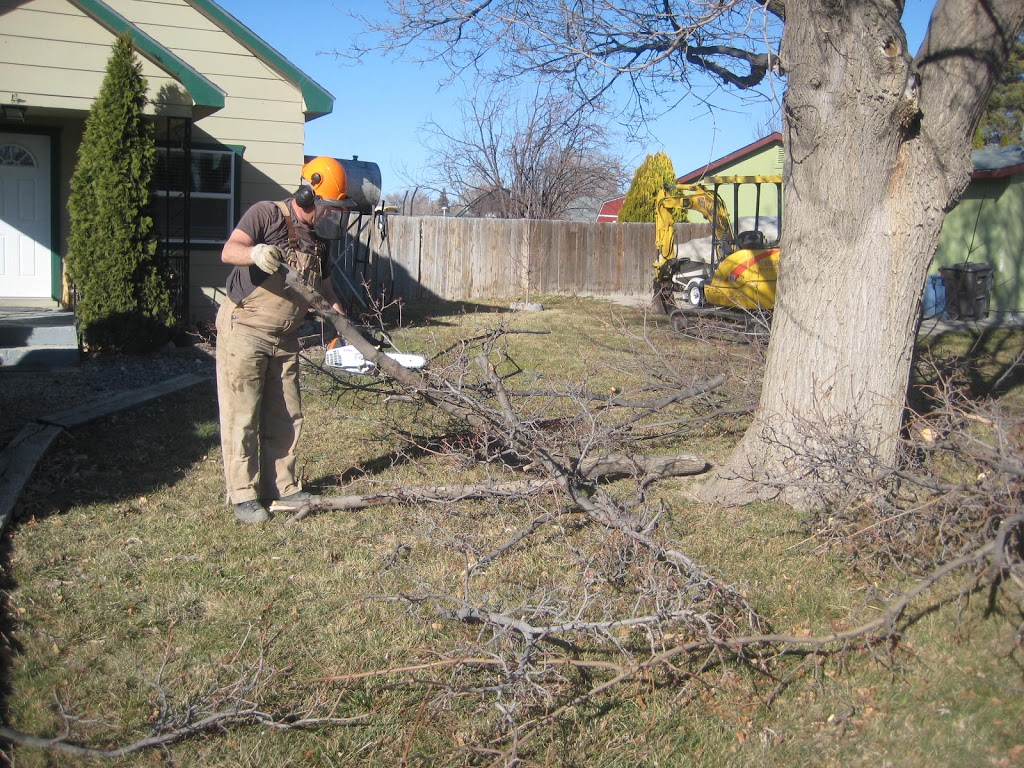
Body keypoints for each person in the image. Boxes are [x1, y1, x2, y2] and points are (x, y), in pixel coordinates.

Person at [216, 156, 349, 523]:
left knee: (287, 414)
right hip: (245, 328)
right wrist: (254, 253)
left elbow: (324, 289)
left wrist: (343, 322)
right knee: (242, 414)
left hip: (286, 336)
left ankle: (282, 487)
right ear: (307, 196)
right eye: (328, 207)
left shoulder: (320, 240)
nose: (331, 216)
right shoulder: (267, 214)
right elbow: (229, 250)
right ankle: (243, 494)